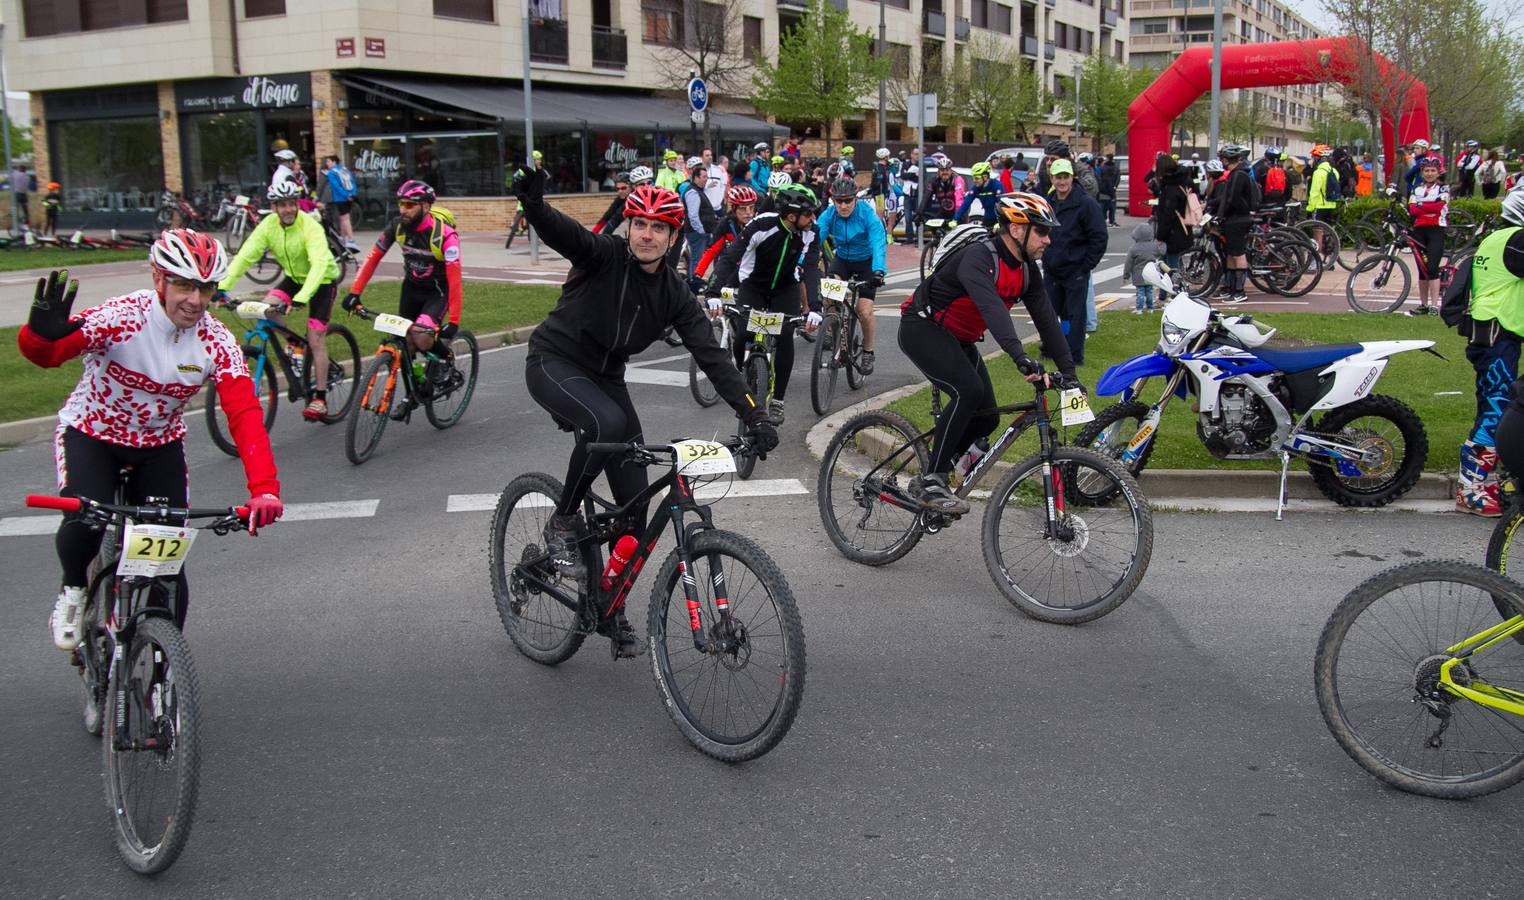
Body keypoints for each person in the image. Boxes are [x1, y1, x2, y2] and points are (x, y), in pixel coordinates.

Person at [511, 169, 775, 655]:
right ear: (628, 227)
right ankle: (563, 521)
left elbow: (712, 357)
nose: (646, 235)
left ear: (674, 237)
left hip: (606, 378)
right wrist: (534, 205)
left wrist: (754, 414)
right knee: (604, 425)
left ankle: (608, 606)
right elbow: (563, 232)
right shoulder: (604, 255)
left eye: (658, 227)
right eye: (639, 224)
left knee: (634, 512)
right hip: (554, 361)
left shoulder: (673, 293)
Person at [18, 234, 283, 650]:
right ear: (159, 280)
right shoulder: (123, 316)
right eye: (184, 285)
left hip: (158, 446)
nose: (196, 300)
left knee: (165, 562)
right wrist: (37, 335)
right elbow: (48, 355)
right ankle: (72, 590)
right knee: (86, 520)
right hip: (93, 434)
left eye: (206, 288)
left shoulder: (216, 342)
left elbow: (245, 415)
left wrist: (264, 489)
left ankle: (161, 662)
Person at [897, 192, 1077, 515]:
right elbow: (993, 310)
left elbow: (1047, 320)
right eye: (1042, 231)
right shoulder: (980, 257)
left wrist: (1071, 374)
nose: (1048, 240)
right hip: (921, 328)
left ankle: (945, 464)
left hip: (959, 339)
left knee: (988, 417)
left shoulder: (1026, 271)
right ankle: (930, 480)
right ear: (1017, 230)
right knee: (969, 390)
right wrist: (1018, 356)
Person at [216, 181, 342, 419]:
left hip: (322, 280)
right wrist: (222, 287)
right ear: (274, 207)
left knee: (316, 337)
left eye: (291, 204)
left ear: (297, 204)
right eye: (282, 205)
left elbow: (318, 264)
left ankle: (320, 398)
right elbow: (246, 255)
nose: (288, 209)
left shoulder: (310, 226)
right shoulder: (268, 225)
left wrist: (303, 297)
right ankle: (296, 344)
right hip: (294, 278)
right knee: (266, 308)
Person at [713, 183, 823, 425]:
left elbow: (812, 270)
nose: (813, 217)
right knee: (743, 334)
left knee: (785, 337)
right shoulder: (761, 224)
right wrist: (714, 291)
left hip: (786, 288)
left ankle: (778, 401)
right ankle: (742, 379)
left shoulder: (811, 232)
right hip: (754, 286)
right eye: (808, 213)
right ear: (792, 216)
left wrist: (815, 307)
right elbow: (731, 257)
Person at [344, 181, 464, 398]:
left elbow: (455, 280)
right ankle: (415, 391)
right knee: (404, 341)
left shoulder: (445, 236)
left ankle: (446, 360)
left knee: (420, 337)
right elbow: (372, 258)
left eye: (410, 205)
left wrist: (453, 321)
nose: (403, 210)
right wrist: (354, 293)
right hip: (411, 288)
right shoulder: (397, 227)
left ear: (425, 207)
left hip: (438, 291)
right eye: (401, 204)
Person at [1457, 189, 1524, 516]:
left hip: (1492, 334)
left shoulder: (1498, 237)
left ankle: (1499, 482)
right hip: (1498, 336)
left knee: (1498, 407)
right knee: (1496, 410)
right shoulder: (1517, 241)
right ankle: (1470, 489)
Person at [817, 177, 886, 374]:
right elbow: (814, 239)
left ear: (855, 199)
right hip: (843, 261)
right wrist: (801, 262)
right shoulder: (830, 214)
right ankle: (831, 327)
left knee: (864, 311)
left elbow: (878, 243)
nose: (843, 205)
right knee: (830, 293)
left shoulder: (867, 215)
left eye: (848, 200)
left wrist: (879, 270)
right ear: (833, 201)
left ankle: (868, 351)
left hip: (867, 262)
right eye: (839, 201)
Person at [1043, 159, 1107, 364]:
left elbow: (1099, 236)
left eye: (1065, 177)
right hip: (1052, 269)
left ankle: (1075, 354)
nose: (1062, 182)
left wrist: (1086, 264)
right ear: (1052, 179)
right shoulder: (1048, 202)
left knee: (1076, 314)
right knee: (1052, 313)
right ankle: (1053, 348)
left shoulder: (1086, 203)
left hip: (1075, 270)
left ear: (1072, 178)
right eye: (1058, 177)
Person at [1213, 144, 1256, 305]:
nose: (1221, 162)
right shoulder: (1235, 175)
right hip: (1233, 219)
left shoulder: (1239, 176)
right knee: (1231, 253)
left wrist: (1223, 215)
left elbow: (1233, 199)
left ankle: (1239, 290)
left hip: (1238, 220)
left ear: (1226, 160)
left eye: (1222, 159)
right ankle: (1230, 287)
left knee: (1238, 254)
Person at [1406, 156, 1449, 316]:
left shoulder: (1443, 188)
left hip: (1436, 229)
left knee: (1432, 268)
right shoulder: (1416, 188)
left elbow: (1440, 207)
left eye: (1433, 171)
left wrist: (1421, 205)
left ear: (1438, 173)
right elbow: (1412, 210)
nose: (1430, 173)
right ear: (1422, 172)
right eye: (1426, 171)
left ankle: (1434, 305)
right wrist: (1427, 207)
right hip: (1419, 230)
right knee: (1421, 269)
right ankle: (1423, 304)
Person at [693, 184, 757, 279]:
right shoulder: (726, 224)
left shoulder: (758, 223)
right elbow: (712, 250)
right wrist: (698, 274)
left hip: (752, 271)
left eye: (751, 208)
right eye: (743, 208)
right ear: (734, 209)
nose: (748, 213)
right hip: (728, 268)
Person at [1152, 156, 1193, 272]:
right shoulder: (1182, 182)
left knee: (1170, 266)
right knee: (1168, 264)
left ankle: (1172, 289)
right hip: (1181, 228)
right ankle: (1167, 289)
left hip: (1172, 233)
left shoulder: (1170, 188)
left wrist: (1160, 235)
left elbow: (1168, 215)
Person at [678, 156, 717, 280]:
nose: (706, 180)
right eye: (704, 177)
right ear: (696, 178)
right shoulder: (693, 192)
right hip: (696, 233)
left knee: (699, 259)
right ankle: (693, 283)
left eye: (707, 177)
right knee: (697, 259)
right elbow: (693, 215)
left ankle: (695, 281)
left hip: (700, 232)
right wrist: (701, 231)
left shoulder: (698, 190)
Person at [505, 150, 544, 249]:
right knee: (520, 209)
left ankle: (534, 234)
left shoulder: (538, 170)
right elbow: (516, 181)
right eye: (537, 159)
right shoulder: (524, 170)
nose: (539, 161)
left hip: (533, 196)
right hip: (523, 194)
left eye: (540, 159)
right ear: (532, 160)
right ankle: (518, 226)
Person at [320, 156, 360, 252]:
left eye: (329, 161)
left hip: (340, 198)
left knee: (345, 218)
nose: (327, 164)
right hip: (350, 196)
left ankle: (351, 239)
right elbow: (353, 182)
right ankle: (343, 238)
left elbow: (336, 186)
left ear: (334, 162)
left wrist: (345, 195)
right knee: (343, 218)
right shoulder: (345, 170)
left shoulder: (332, 173)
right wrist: (351, 194)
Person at [1124, 223, 1164, 315]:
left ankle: (1139, 309)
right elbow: (1160, 253)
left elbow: (1128, 263)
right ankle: (1150, 308)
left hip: (1138, 274)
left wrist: (1126, 275)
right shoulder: (1154, 246)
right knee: (1149, 291)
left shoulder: (1134, 248)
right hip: (1150, 274)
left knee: (1140, 292)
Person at [954, 162, 1003, 227]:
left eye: (977, 178)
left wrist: (1001, 222)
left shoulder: (996, 185)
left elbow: (1003, 205)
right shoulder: (976, 188)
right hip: (987, 219)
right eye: (973, 177)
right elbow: (965, 204)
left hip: (999, 220)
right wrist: (955, 219)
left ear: (985, 177)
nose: (974, 180)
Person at [1097, 155, 1120, 227]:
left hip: (1103, 191)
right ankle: (1112, 221)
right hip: (1112, 191)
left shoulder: (1102, 168)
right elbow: (1117, 179)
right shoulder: (1116, 168)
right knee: (1112, 207)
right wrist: (1115, 187)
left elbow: (1099, 179)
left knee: (1103, 207)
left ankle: (1102, 220)